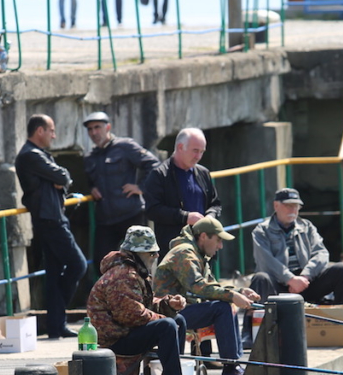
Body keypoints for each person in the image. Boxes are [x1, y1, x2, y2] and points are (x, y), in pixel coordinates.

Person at [87, 226, 200, 375]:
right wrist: (164, 318)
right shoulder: (123, 275)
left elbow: (143, 304)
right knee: (168, 325)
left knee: (178, 320)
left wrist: (167, 304)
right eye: (151, 253)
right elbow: (131, 315)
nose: (156, 257)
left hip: (127, 333)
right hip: (116, 341)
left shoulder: (134, 272)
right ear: (137, 253)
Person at [155, 217, 259, 375]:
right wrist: (232, 296)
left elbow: (212, 286)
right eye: (218, 240)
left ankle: (234, 364)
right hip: (166, 313)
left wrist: (239, 292)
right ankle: (230, 367)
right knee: (222, 307)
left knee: (225, 304)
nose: (220, 246)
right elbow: (198, 287)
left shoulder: (198, 254)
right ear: (203, 236)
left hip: (181, 310)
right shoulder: (184, 253)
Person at [14, 114, 87, 339]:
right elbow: (62, 175)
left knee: (54, 274)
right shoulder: (31, 155)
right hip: (50, 220)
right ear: (40, 131)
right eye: (51, 131)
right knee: (78, 265)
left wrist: (59, 179)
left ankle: (56, 325)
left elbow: (61, 179)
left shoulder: (38, 155)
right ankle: (56, 315)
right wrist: (59, 179)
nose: (54, 136)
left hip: (51, 217)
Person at [250, 187, 343, 306]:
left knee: (341, 270)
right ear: (276, 206)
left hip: (305, 283)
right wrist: (290, 279)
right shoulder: (262, 231)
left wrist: (306, 276)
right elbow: (266, 262)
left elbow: (321, 253)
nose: (293, 210)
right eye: (288, 205)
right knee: (260, 278)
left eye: (296, 206)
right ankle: (259, 323)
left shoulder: (307, 226)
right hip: (279, 287)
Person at [82, 111, 160, 268]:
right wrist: (92, 189)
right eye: (90, 129)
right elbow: (91, 181)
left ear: (108, 127)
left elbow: (154, 165)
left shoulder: (125, 146)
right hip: (105, 219)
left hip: (131, 214)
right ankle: (114, 293)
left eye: (97, 127)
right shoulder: (90, 157)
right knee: (102, 263)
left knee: (139, 262)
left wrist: (141, 187)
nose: (94, 132)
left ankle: (142, 292)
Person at [143, 127, 221, 253]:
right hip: (174, 251)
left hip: (203, 248)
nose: (198, 156)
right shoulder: (159, 175)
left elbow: (215, 204)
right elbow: (152, 210)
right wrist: (185, 217)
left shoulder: (203, 173)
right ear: (180, 147)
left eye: (202, 152)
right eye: (195, 151)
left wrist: (210, 217)